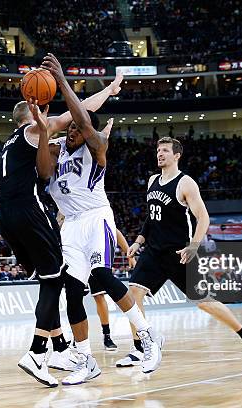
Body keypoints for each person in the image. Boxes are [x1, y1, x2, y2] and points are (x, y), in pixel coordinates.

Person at [38, 53, 162, 385]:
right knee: (71, 287)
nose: (74, 131)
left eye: (80, 126)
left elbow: (81, 118)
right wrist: (41, 125)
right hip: (71, 225)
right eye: (72, 128)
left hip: (96, 218)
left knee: (103, 276)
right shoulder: (55, 149)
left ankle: (148, 337)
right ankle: (85, 358)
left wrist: (63, 82)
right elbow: (42, 163)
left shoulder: (98, 145)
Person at [1, 70, 124, 388]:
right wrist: (108, 91)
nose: (44, 112)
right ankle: (36, 352)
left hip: (6, 216)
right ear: (28, 114)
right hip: (29, 211)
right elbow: (80, 111)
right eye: (39, 108)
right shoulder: (32, 130)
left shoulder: (11, 143)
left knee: (48, 280)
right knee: (57, 280)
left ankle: (59, 348)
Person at [118, 137, 242, 368]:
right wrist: (139, 241)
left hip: (180, 253)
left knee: (205, 302)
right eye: (158, 150)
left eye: (165, 151)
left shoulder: (185, 182)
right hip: (153, 252)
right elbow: (152, 217)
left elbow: (203, 217)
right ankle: (141, 347)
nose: (160, 154)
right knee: (132, 295)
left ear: (177, 155)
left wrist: (194, 245)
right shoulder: (152, 180)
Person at [87, 229, 137, 351]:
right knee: (74, 296)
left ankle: (107, 336)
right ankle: (76, 338)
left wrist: (128, 253)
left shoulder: (100, 212)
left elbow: (115, 232)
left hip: (95, 256)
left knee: (99, 296)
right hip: (75, 256)